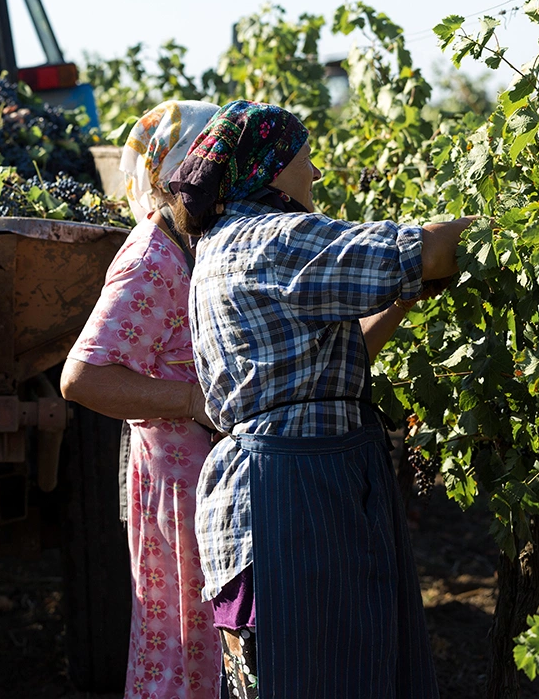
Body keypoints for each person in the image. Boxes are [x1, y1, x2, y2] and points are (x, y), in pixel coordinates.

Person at [165, 99, 470, 699]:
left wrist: (402, 299)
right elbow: (425, 252)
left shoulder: (223, 245)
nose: (317, 176)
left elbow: (328, 361)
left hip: (285, 486)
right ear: (274, 168)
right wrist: (522, 227)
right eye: (307, 160)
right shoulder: (273, 239)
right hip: (294, 493)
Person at [62, 100, 224, 699]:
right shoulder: (151, 260)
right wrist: (191, 400)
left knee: (206, 640)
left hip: (197, 479)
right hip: (175, 487)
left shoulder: (193, 246)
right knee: (183, 640)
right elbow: (82, 377)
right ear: (180, 170)